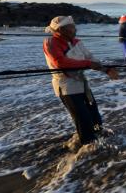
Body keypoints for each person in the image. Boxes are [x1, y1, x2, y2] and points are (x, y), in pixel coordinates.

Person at [43, 16, 118, 145]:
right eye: (71, 26)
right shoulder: (51, 43)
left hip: (82, 84)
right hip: (67, 86)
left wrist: (107, 70)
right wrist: (88, 63)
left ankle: (99, 134)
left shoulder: (77, 42)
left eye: (74, 25)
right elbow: (60, 62)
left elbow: (91, 58)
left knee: (93, 112)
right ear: (60, 30)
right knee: (82, 117)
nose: (75, 28)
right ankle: (87, 146)